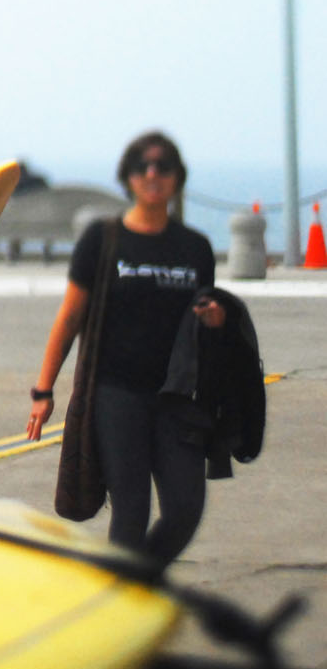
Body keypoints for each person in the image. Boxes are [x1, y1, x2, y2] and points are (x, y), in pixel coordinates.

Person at [26, 132, 225, 562]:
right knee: (130, 512)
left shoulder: (195, 248)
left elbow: (204, 320)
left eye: (163, 166)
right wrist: (44, 391)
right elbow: (69, 318)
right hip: (116, 396)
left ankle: (134, 579)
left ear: (177, 178)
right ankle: (124, 593)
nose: (152, 174)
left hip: (176, 398)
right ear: (129, 178)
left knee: (185, 509)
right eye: (141, 166)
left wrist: (216, 320)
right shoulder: (103, 240)